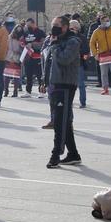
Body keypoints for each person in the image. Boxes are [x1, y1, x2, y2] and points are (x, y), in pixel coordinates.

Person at [44, 16, 82, 168]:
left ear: (65, 27)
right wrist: (44, 80)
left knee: (60, 121)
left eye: (57, 25)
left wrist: (54, 45)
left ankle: (55, 154)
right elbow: (47, 61)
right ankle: (73, 153)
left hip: (65, 84)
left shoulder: (73, 41)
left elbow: (65, 59)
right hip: (55, 83)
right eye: (53, 25)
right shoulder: (54, 40)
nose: (54, 28)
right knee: (63, 119)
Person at [90, 14, 111, 96]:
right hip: (102, 56)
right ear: (102, 22)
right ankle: (105, 89)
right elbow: (91, 43)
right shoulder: (96, 31)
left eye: (108, 20)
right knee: (103, 74)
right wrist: (95, 54)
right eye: (106, 21)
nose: (108, 22)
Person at [13, 18, 44, 97]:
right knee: (28, 74)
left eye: (29, 25)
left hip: (37, 56)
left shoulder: (40, 32)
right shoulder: (26, 32)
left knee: (39, 75)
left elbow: (43, 44)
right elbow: (22, 40)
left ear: (34, 23)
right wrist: (22, 43)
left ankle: (42, 92)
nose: (28, 26)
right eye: (27, 25)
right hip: (28, 57)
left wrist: (33, 44)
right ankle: (28, 91)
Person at [70, 19, 90, 108]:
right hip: (68, 64)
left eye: (72, 28)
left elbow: (86, 50)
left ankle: (83, 102)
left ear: (76, 28)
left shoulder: (82, 38)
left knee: (81, 84)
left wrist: (76, 51)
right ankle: (69, 101)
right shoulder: (67, 37)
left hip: (79, 63)